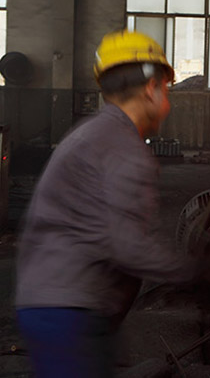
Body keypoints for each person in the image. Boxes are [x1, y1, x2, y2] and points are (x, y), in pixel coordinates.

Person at [14, 30, 198, 377]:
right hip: (67, 312)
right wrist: (194, 270)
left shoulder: (96, 133)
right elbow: (129, 245)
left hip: (58, 302)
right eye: (167, 90)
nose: (168, 102)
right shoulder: (122, 148)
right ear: (151, 88)